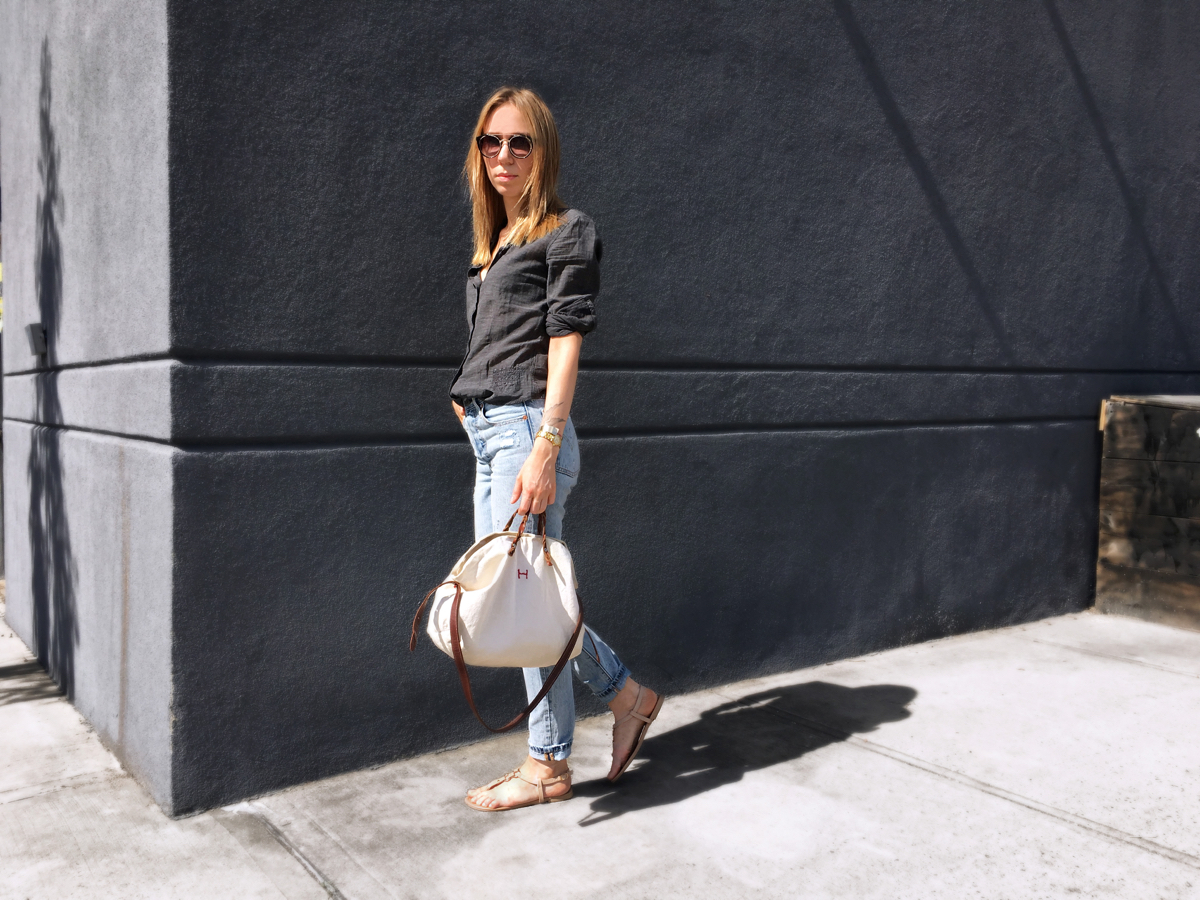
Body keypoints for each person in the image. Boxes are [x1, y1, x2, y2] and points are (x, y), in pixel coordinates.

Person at [449, 87, 664, 812]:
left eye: (519, 141)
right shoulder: (492, 247)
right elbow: (494, 344)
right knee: (522, 599)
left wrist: (542, 441)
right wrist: (466, 402)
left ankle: (548, 765)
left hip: (525, 430)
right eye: (490, 142)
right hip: (491, 431)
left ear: (543, 151)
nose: (503, 154)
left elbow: (565, 341)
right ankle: (627, 696)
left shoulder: (564, 230)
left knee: (524, 599)